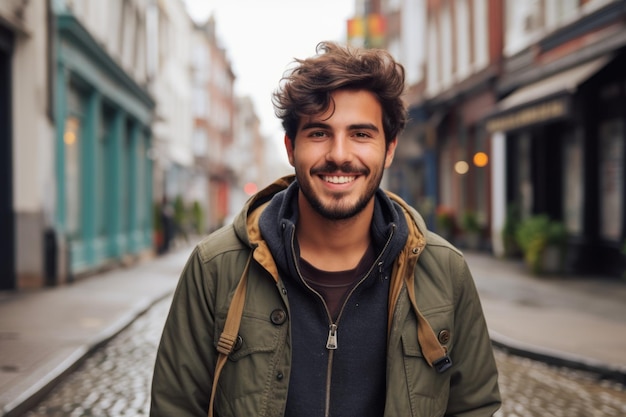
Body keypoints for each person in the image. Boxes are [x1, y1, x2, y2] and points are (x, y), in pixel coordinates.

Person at [150, 41, 501, 417]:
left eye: (361, 134)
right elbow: (176, 407)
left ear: (390, 148)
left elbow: (473, 406)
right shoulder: (216, 267)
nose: (339, 154)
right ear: (290, 147)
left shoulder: (445, 271)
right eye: (319, 133)